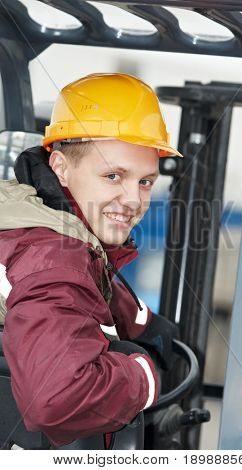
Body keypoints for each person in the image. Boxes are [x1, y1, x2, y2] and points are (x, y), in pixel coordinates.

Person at [0, 73, 183, 449]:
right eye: (113, 175)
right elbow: (56, 398)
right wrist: (144, 377)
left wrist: (140, 321)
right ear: (60, 167)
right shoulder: (55, 259)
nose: (133, 200)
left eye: (145, 182)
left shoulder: (35, 220)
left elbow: (76, 287)